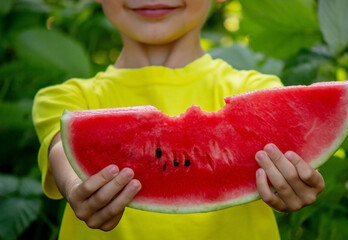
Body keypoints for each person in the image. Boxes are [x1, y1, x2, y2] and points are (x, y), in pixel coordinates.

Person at [32, 0, 325, 239]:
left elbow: (289, 152)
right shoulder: (64, 100)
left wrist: (290, 181)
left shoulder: (259, 92)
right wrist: (75, 187)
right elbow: (64, 152)